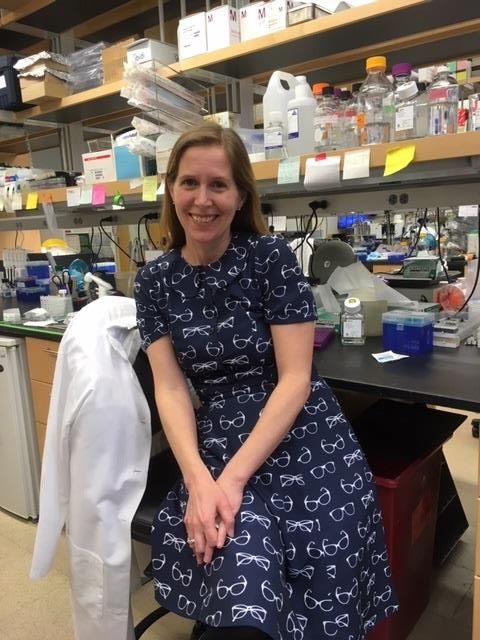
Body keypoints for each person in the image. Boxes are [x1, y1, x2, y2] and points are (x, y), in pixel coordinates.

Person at [134, 122, 398, 640]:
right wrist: (198, 481)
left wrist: (230, 482)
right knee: (237, 557)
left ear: (240, 196)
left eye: (218, 185)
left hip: (301, 429)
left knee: (322, 548)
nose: (203, 200)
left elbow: (296, 379)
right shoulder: (153, 281)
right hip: (219, 435)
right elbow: (169, 388)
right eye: (190, 183)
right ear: (171, 189)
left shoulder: (271, 260)